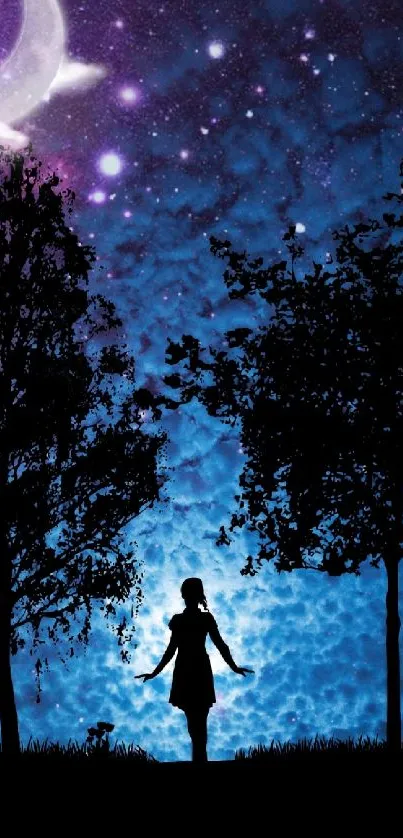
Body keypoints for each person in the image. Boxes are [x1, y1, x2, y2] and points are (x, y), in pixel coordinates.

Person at [135, 577, 254, 763]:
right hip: (193, 668)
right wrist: (154, 672)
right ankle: (200, 757)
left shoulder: (195, 619)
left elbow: (219, 645)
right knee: (196, 721)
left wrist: (233, 666)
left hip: (193, 669)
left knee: (196, 721)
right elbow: (172, 649)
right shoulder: (186, 620)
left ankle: (199, 758)